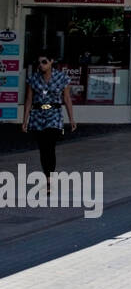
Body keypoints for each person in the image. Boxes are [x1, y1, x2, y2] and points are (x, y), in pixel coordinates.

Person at [21, 53, 76, 192]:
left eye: (44, 62)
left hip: (54, 114)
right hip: (38, 115)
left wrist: (71, 119)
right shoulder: (33, 79)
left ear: (51, 62)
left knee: (50, 146)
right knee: (43, 148)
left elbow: (67, 99)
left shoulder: (61, 78)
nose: (41, 65)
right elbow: (29, 100)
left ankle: (49, 180)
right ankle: (47, 176)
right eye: (39, 62)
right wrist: (24, 120)